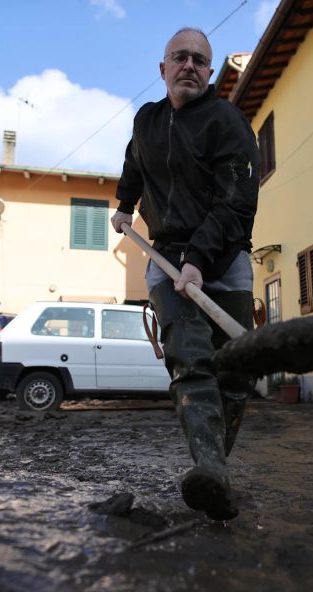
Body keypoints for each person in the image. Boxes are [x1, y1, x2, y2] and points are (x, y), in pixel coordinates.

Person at [110, 27, 260, 520]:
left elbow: (237, 201)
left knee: (235, 374)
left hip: (224, 260)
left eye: (200, 59)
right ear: (163, 68)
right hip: (165, 259)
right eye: (180, 57)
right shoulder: (146, 121)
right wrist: (125, 206)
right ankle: (212, 470)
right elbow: (135, 164)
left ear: (210, 72)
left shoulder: (228, 122)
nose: (190, 66)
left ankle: (214, 465)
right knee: (191, 360)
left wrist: (199, 257)